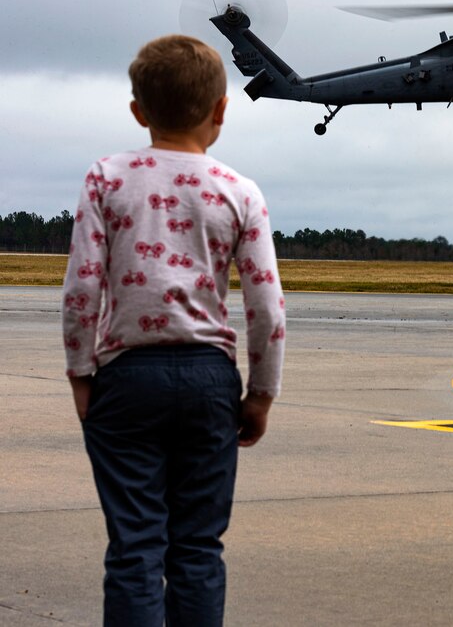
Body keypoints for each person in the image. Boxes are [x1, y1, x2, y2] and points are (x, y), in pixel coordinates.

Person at [61, 34, 286, 626]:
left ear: (139, 111)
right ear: (221, 110)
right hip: (210, 380)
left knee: (135, 546)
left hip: (127, 378)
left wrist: (81, 374)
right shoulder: (240, 191)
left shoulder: (106, 179)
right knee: (197, 547)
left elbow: (82, 287)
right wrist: (261, 394)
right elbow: (266, 306)